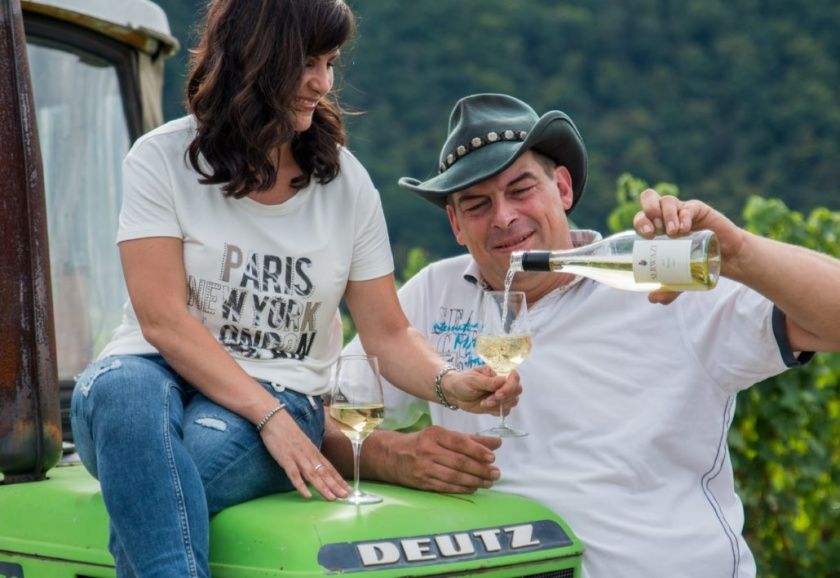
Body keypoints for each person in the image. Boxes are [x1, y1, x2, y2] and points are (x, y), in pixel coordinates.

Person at [69, 5, 518, 577]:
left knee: (160, 482)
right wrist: (271, 419)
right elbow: (162, 321)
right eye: (307, 62)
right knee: (121, 385)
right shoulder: (161, 158)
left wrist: (450, 383)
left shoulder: (347, 186)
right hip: (155, 384)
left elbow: (387, 333)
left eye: (329, 63)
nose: (323, 83)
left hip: (280, 390)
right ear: (254, 55)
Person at [322, 93, 840, 578]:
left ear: (563, 189)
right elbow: (321, 421)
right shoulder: (435, 293)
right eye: (476, 205)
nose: (503, 217)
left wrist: (741, 253)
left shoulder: (660, 279)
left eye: (521, 189)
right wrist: (394, 456)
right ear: (456, 225)